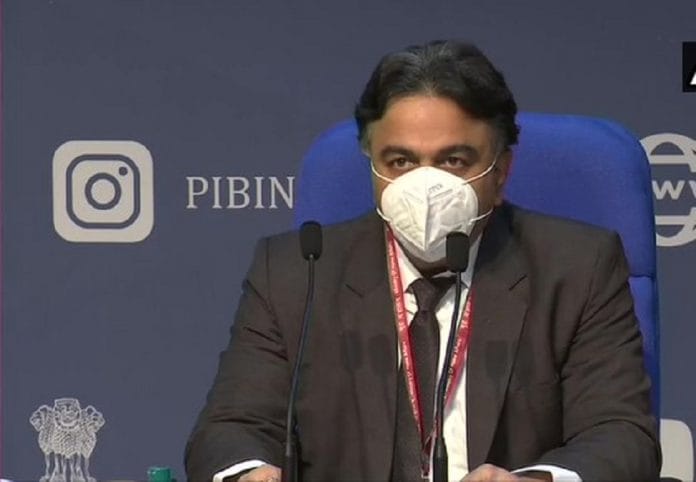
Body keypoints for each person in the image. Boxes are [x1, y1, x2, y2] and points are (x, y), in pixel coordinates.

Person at [185, 40, 660, 482]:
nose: (425, 186)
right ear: (372, 166)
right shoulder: (295, 273)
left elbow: (621, 433)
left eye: (453, 161)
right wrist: (250, 473)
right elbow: (230, 429)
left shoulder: (576, 268)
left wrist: (535, 481)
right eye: (400, 162)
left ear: (501, 172)